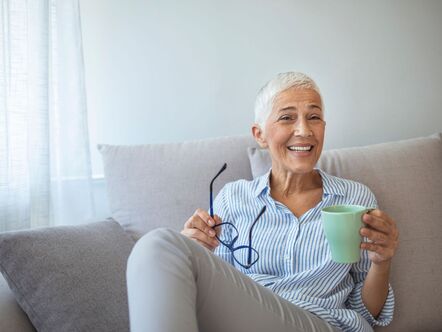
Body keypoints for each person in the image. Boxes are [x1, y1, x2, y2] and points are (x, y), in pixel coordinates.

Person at [126, 72, 399, 332]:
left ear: (323, 128)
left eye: (313, 117)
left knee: (161, 244)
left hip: (321, 323)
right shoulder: (233, 199)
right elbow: (219, 293)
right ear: (259, 135)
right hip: (248, 318)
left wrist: (381, 262)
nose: (304, 130)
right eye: (287, 118)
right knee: (158, 246)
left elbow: (366, 313)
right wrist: (195, 252)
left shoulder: (355, 199)